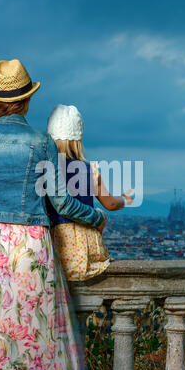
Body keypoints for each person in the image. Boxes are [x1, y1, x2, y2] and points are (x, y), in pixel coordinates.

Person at [0, 59, 106, 370]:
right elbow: (62, 203)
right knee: (34, 360)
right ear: (27, 100)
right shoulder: (42, 142)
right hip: (31, 249)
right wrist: (96, 216)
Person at [46, 104, 133, 282]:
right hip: (84, 253)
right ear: (78, 140)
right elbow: (110, 204)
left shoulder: (45, 169)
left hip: (54, 249)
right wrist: (125, 199)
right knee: (100, 213)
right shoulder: (89, 170)